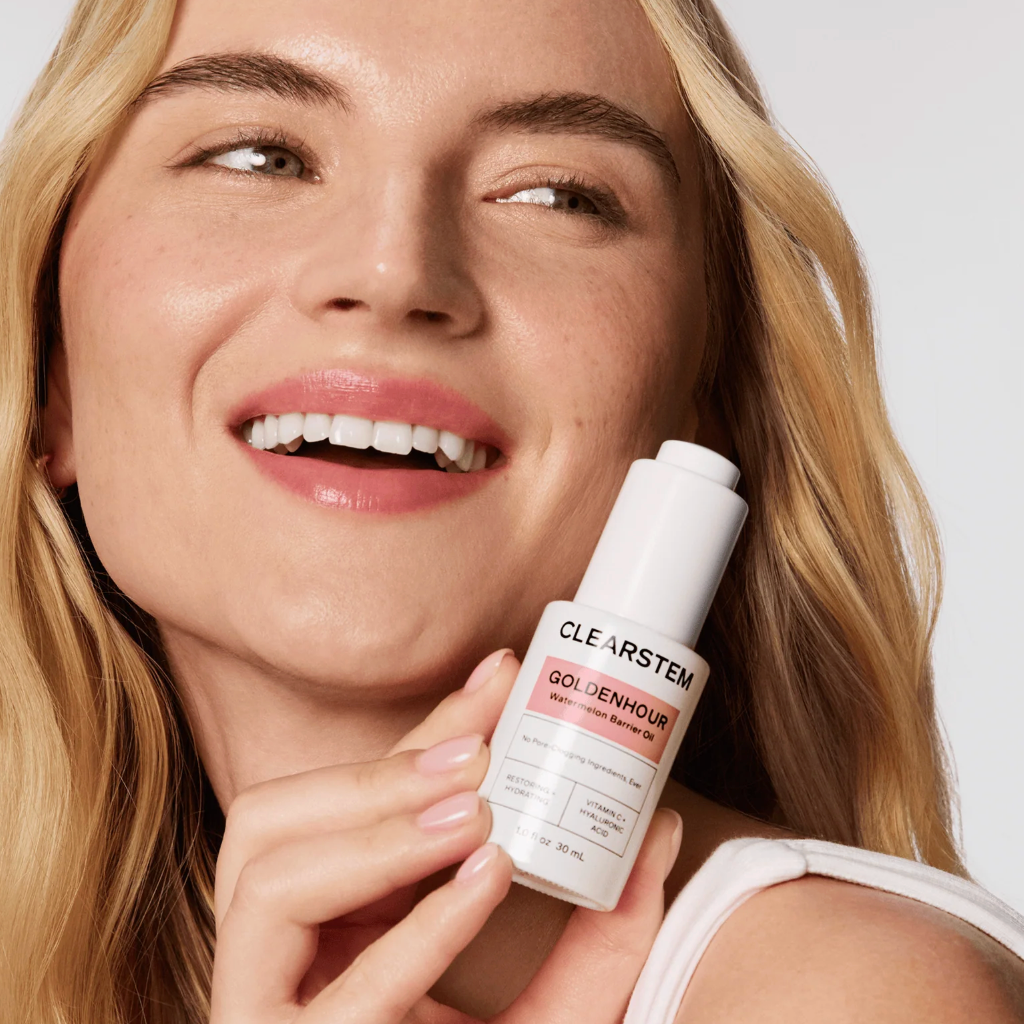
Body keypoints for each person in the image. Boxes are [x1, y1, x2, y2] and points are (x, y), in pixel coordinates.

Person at [2, 0, 1022, 1020]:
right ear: (52, 376)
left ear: (698, 401)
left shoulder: (844, 994)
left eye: (554, 192)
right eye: (261, 157)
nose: (393, 272)